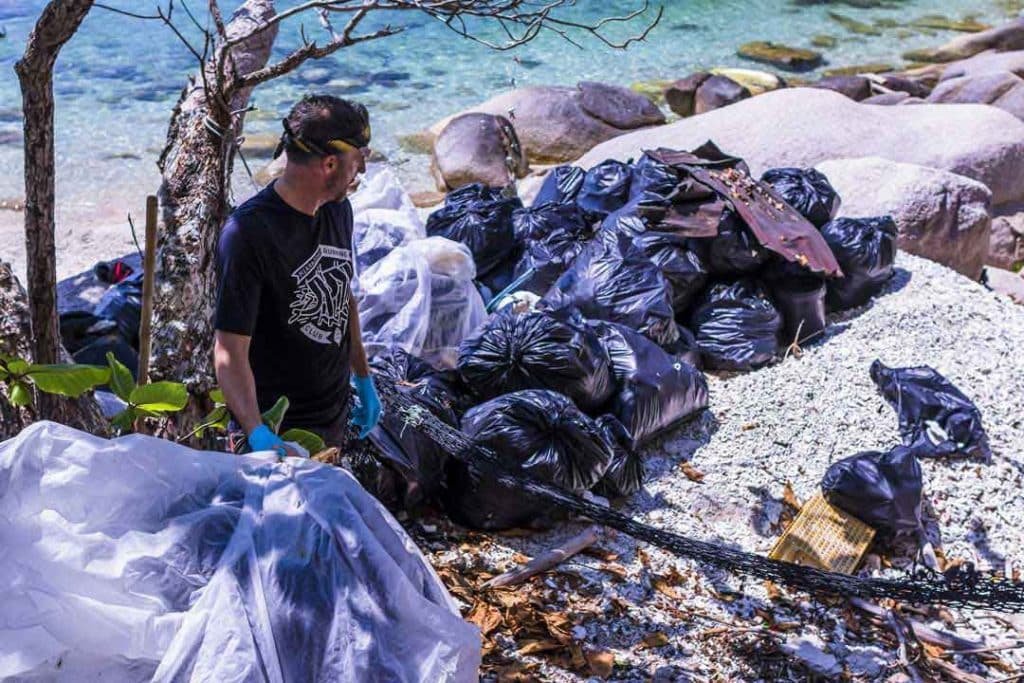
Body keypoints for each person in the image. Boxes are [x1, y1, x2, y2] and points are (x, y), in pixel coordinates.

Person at [213, 94, 381, 458]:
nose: (363, 172)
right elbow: (229, 351)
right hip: (276, 428)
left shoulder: (338, 210)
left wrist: (363, 377)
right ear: (331, 163)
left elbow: (341, 293)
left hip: (333, 413)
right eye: (360, 160)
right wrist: (256, 431)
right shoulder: (247, 235)